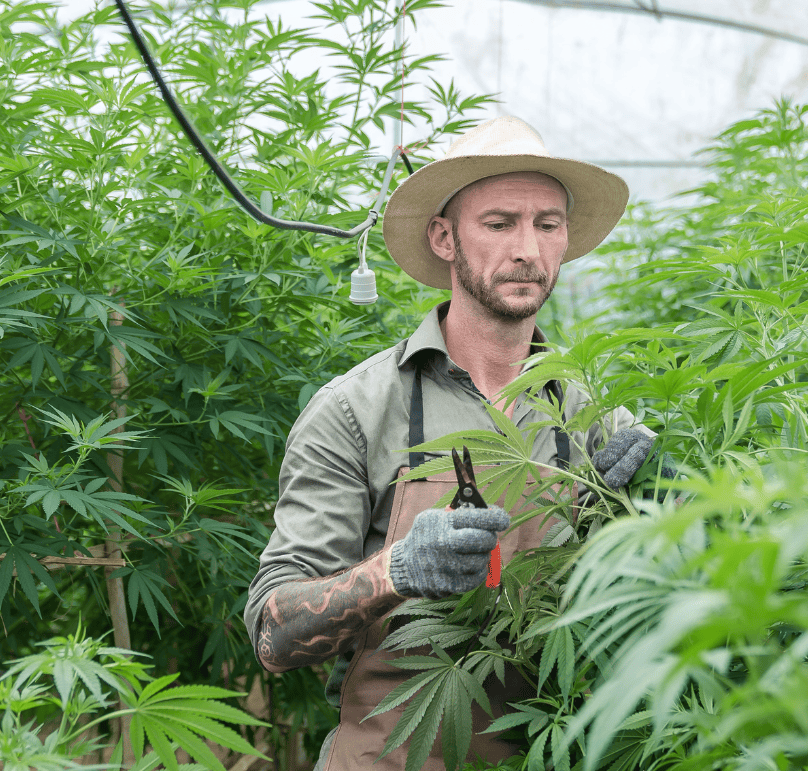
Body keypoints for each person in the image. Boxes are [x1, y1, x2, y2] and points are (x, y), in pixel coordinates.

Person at [244, 116, 659, 771]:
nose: (527, 249)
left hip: (549, 754)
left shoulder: (592, 411)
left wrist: (646, 513)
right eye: (499, 223)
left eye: (547, 224)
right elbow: (273, 634)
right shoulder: (357, 410)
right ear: (444, 237)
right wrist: (395, 571)